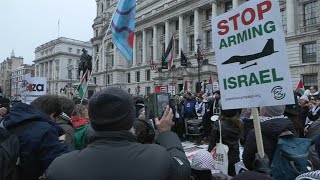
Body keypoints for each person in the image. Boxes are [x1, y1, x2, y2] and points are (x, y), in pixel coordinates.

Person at [41, 87, 191, 180]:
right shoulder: (158, 156)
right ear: (131, 119)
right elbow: (182, 169)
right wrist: (166, 133)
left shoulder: (60, 166)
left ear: (91, 120)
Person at [0, 96, 69, 180]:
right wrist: (61, 142)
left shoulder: (4, 121)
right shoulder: (46, 130)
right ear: (52, 114)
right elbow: (59, 167)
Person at [242, 105, 296, 170]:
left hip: (264, 173)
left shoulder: (256, 132)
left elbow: (247, 160)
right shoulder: (290, 126)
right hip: (287, 171)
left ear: (265, 111)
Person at [208, 108, 242, 176]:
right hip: (235, 155)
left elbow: (212, 142)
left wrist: (209, 155)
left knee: (222, 176)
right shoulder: (239, 123)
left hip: (221, 157)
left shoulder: (218, 124)